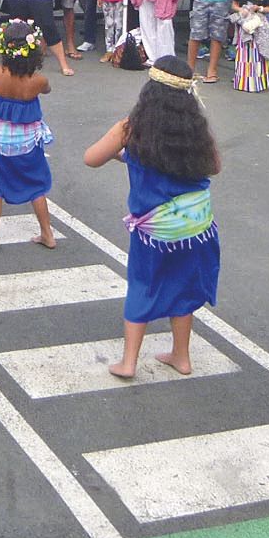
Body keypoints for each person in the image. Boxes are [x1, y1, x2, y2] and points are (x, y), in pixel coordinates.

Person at [82, 57, 221, 379]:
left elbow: (91, 159)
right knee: (183, 287)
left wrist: (128, 154)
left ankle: (129, 361)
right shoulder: (196, 130)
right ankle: (181, 356)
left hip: (156, 229)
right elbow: (214, 166)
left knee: (143, 285)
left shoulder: (131, 129)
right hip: (196, 226)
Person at [0, 20, 57, 254]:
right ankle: (47, 234)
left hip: (0, 142)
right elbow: (46, 90)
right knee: (36, 186)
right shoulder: (38, 80)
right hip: (28, 142)